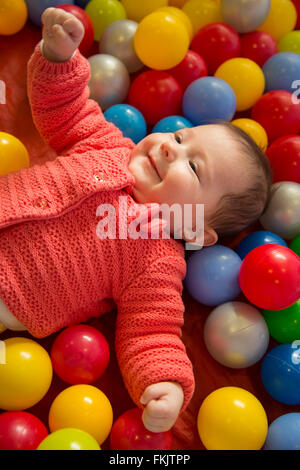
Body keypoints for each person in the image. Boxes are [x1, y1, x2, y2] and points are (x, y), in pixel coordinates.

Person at [0, 8, 272, 433]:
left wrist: (165, 383)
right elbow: (65, 111)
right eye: (181, 137)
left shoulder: (157, 262)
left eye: (195, 169)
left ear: (196, 229)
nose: (169, 149)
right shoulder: (109, 144)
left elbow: (151, 331)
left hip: (12, 294)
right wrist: (59, 58)